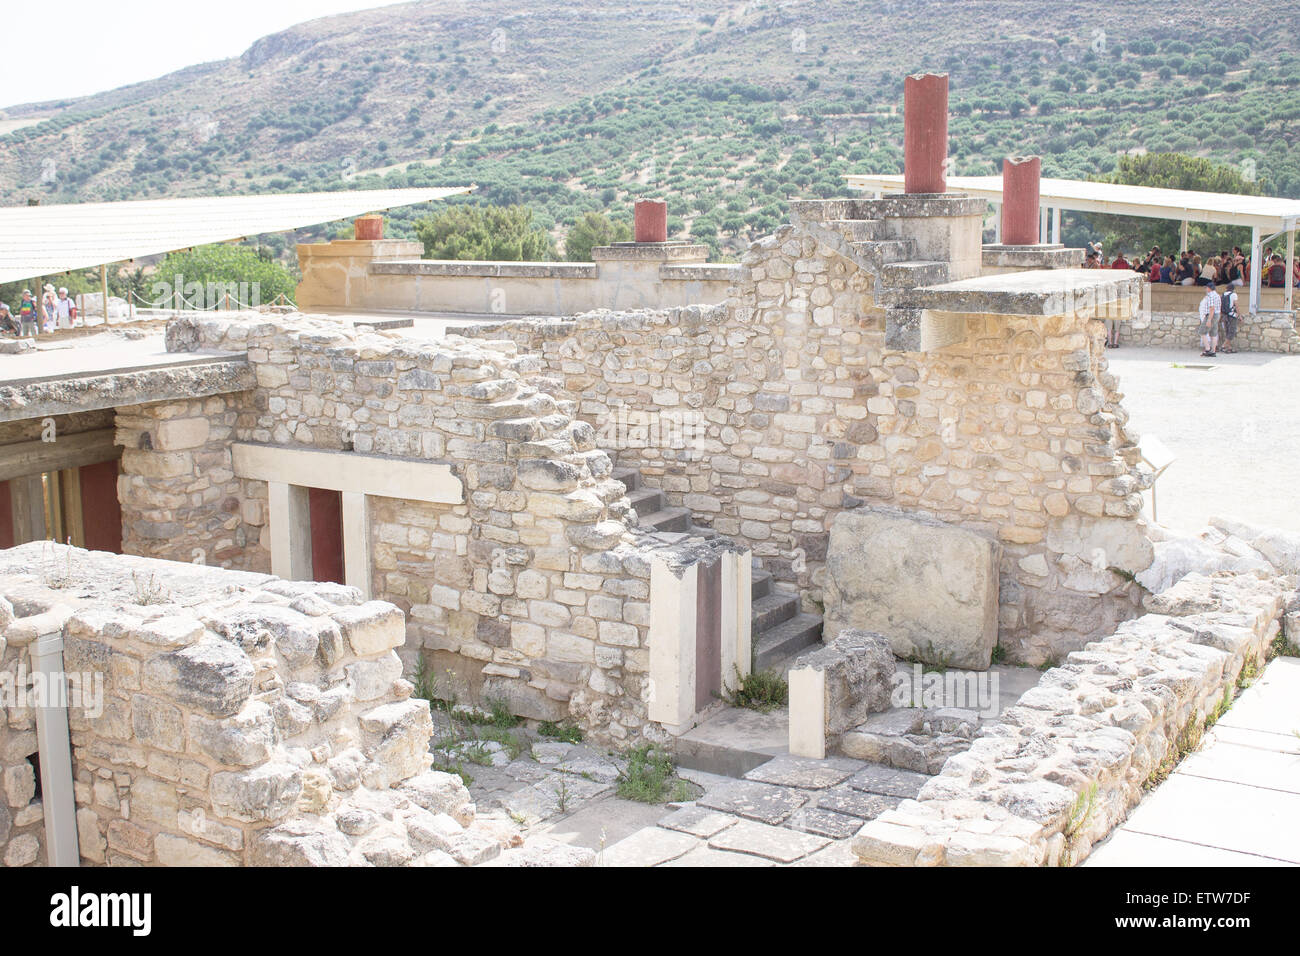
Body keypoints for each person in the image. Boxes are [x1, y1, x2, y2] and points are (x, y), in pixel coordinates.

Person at [1198, 280, 1221, 357]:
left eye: (1206, 288)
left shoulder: (1210, 296)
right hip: (1217, 315)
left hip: (1211, 315)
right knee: (1213, 333)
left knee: (1202, 331)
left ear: (1209, 288)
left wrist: (1209, 319)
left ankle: (1207, 349)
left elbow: (1212, 308)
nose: (1206, 289)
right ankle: (1213, 350)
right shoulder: (1217, 295)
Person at [1219, 284, 1240, 353]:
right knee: (1232, 331)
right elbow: (1236, 305)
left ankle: (1229, 348)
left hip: (1225, 315)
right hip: (1232, 315)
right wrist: (1238, 314)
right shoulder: (1234, 295)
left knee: (1227, 331)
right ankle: (1223, 346)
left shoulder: (1223, 295)